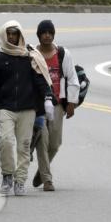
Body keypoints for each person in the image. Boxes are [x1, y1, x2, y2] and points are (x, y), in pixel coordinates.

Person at [0, 21, 53, 196]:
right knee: (6, 141)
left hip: (27, 108)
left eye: (15, 34)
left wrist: (47, 98)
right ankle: (8, 175)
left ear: (20, 35)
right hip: (6, 107)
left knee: (24, 146)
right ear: (4, 35)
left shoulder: (29, 56)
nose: (12, 37)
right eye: (9, 34)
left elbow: (40, 78)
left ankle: (20, 180)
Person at [31, 20, 79, 191]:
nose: (47, 35)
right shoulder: (32, 54)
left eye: (50, 32)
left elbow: (72, 77)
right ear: (39, 35)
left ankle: (41, 172)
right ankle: (47, 179)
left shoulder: (62, 54)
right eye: (44, 32)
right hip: (38, 106)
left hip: (58, 104)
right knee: (42, 140)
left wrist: (71, 102)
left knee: (55, 143)